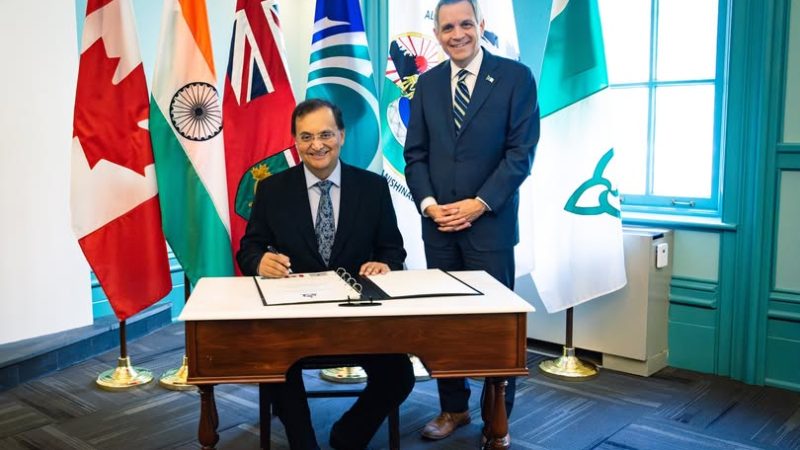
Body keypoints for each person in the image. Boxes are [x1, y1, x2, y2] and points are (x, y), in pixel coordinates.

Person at [238, 98, 414, 450]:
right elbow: (249, 248)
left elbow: (393, 250)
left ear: (342, 136)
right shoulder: (272, 190)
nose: (316, 145)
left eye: (325, 134)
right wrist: (259, 262)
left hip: (359, 319)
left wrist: (385, 264)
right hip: (294, 320)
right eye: (306, 136)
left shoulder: (373, 188)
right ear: (295, 141)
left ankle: (348, 435)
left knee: (399, 375)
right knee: (276, 367)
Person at [403, 0, 540, 444]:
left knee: (496, 326)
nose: (457, 34)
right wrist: (428, 204)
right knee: (445, 324)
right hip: (439, 226)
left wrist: (479, 203)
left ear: (480, 25)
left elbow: (520, 154)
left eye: (465, 24)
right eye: (447, 28)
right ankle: (454, 409)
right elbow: (415, 155)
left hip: (490, 226)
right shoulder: (427, 84)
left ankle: (497, 417)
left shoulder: (515, 78)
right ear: (437, 34)